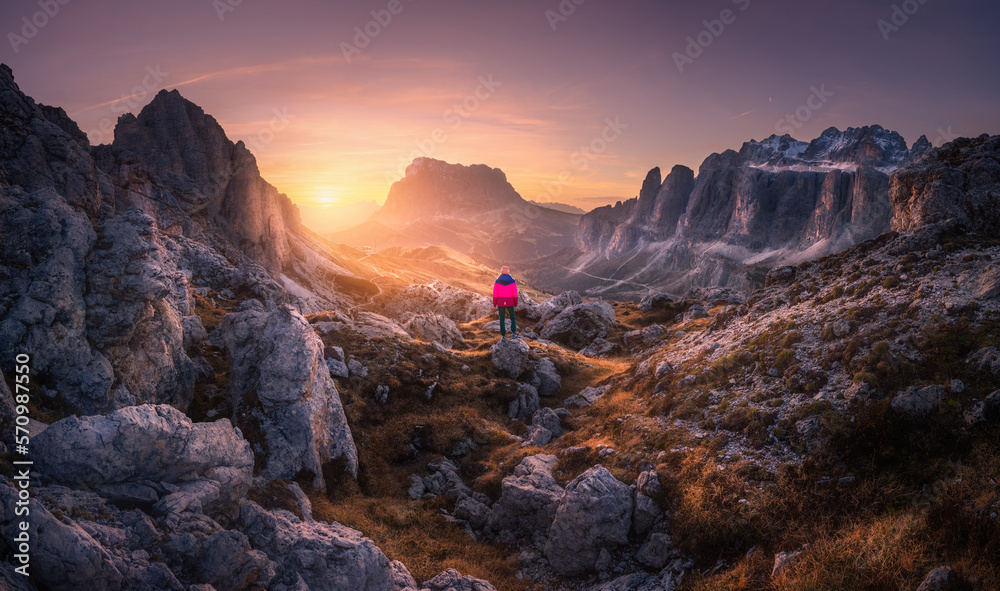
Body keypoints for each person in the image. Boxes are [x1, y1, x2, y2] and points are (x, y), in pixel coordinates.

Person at [492, 266, 519, 340]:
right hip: (510, 301)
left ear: (501, 272)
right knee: (512, 317)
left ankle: (503, 336)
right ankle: (513, 333)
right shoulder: (512, 281)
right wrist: (515, 303)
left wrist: (494, 304)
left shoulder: (497, 281)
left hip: (500, 302)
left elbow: (495, 293)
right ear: (508, 272)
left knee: (502, 318)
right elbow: (514, 293)